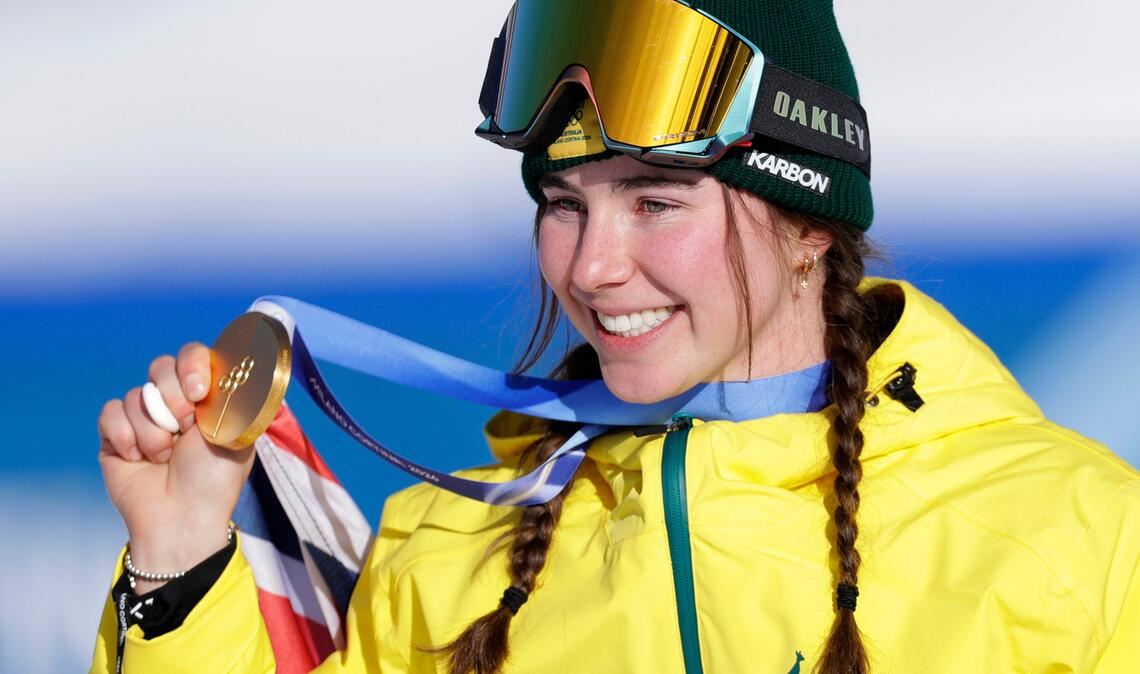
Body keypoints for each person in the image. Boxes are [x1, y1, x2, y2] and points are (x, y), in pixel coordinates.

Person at [91, 1, 1140, 672]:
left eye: (656, 201)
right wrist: (178, 557)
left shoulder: (1079, 534)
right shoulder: (444, 557)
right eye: (563, 202)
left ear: (812, 223)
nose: (592, 266)